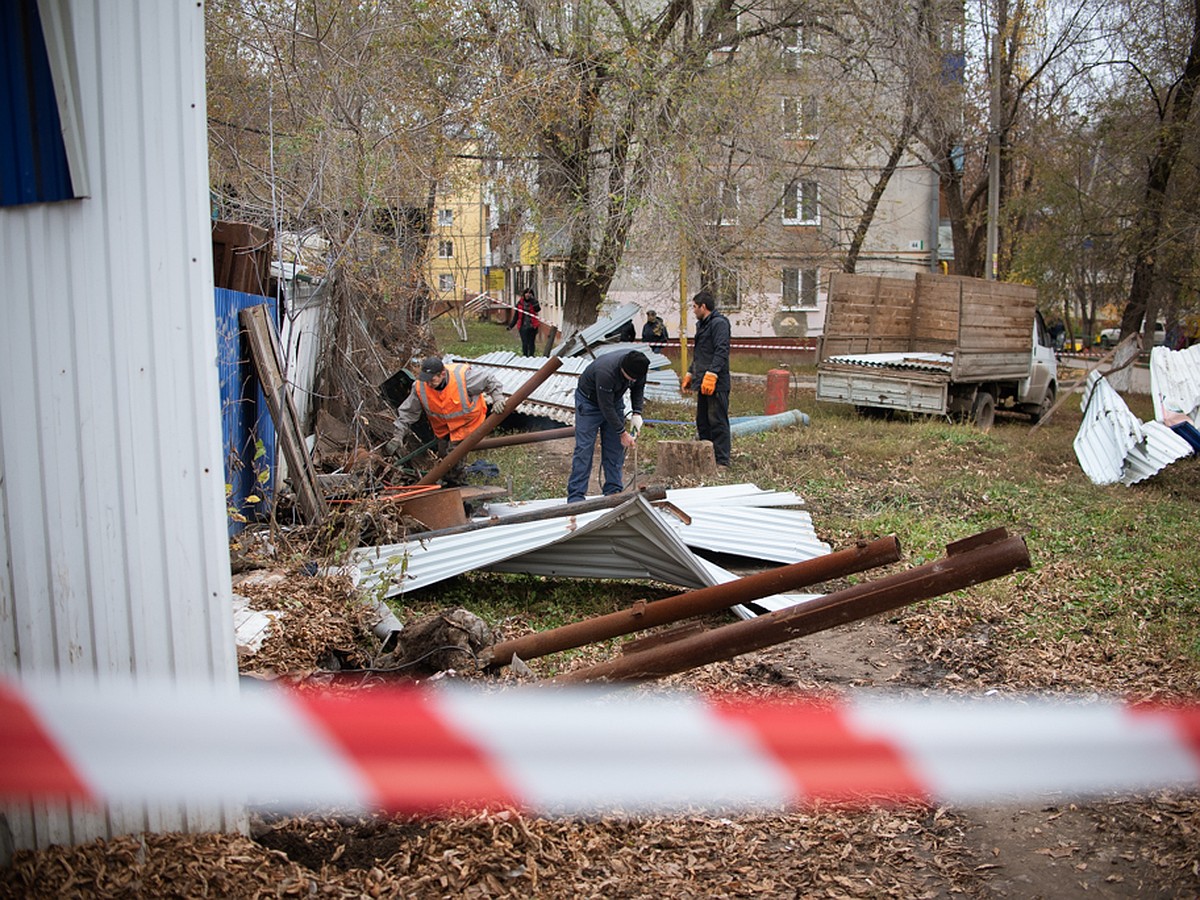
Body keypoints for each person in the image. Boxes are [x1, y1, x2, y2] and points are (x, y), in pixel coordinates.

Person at [389, 356, 506, 484]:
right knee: (444, 460)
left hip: (468, 424)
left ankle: (457, 485)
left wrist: (498, 399)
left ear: (442, 374)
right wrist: (398, 436)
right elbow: (408, 413)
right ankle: (450, 481)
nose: (428, 384)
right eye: (425, 380)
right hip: (444, 430)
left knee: (453, 460)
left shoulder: (463, 378)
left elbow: (489, 380)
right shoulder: (420, 387)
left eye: (432, 380)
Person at [567, 350, 649, 502]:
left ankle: (613, 491)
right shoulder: (606, 371)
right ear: (623, 370)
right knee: (584, 449)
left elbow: (638, 389)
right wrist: (622, 432)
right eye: (630, 378)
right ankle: (576, 496)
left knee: (614, 448)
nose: (633, 380)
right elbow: (606, 407)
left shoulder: (639, 367)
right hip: (589, 403)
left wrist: (637, 412)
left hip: (614, 400)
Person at [681, 290, 731, 468]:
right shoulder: (702, 325)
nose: (693, 310)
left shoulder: (719, 324)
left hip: (716, 383)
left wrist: (713, 374)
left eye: (695, 307)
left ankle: (721, 461)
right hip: (703, 381)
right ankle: (706, 457)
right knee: (703, 421)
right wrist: (690, 373)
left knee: (717, 421)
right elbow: (700, 354)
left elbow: (721, 350)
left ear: (703, 306)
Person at [508, 288, 542, 356]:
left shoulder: (534, 302)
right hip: (523, 326)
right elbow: (516, 316)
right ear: (524, 294)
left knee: (531, 342)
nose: (527, 294)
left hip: (532, 326)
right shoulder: (520, 303)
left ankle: (531, 355)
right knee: (525, 342)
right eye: (526, 293)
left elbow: (537, 309)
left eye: (529, 293)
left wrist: (533, 301)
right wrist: (511, 326)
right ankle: (525, 355)